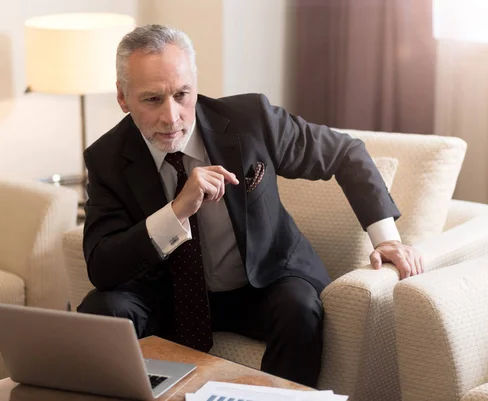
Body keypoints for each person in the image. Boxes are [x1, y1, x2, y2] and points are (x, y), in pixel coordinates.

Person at [78, 24, 423, 387]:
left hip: (261, 284)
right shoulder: (107, 158)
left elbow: (345, 154)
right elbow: (103, 267)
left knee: (298, 308)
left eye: (182, 94)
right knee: (102, 311)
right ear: (122, 97)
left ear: (195, 83)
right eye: (152, 99)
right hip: (169, 295)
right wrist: (176, 211)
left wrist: (386, 239)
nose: (172, 116)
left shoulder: (250, 120)